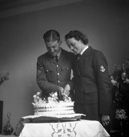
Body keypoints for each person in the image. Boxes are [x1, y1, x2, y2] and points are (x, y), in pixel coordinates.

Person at [65, 30, 113, 128]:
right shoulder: (76, 59)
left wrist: (105, 112)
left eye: (73, 44)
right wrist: (69, 85)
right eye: (69, 46)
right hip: (80, 106)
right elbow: (78, 78)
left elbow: (104, 84)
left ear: (80, 39)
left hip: (94, 107)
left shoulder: (96, 55)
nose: (71, 48)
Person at [36, 29, 74, 100]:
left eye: (54, 47)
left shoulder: (70, 56)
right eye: (48, 47)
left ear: (60, 42)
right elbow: (41, 81)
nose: (51, 50)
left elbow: (78, 76)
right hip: (49, 100)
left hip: (68, 99)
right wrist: (57, 89)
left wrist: (69, 85)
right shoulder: (41, 60)